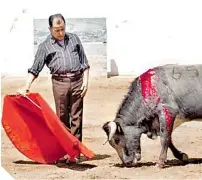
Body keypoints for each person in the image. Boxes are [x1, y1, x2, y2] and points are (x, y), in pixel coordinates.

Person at [19, 13, 90, 163]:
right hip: (60, 83)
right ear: (50, 29)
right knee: (62, 117)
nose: (60, 32)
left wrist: (86, 81)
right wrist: (27, 86)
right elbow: (35, 68)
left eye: (63, 29)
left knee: (77, 116)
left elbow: (84, 62)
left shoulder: (74, 39)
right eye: (57, 30)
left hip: (77, 80)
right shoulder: (45, 46)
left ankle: (75, 153)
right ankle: (66, 150)